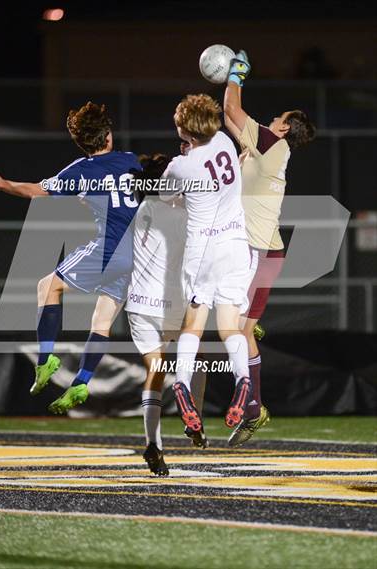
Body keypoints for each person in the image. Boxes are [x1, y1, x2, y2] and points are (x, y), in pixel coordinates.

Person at [0, 101, 141, 414]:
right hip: (138, 254)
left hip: (109, 248)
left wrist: (3, 184)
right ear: (108, 135)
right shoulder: (132, 160)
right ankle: (80, 382)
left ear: (81, 142)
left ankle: (45, 359)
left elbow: (37, 191)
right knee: (102, 320)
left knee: (46, 287)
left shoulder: (80, 170)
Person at [223, 50, 316, 445]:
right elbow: (229, 118)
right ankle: (254, 407)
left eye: (277, 119)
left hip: (258, 254)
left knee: (238, 333)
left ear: (282, 129)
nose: (271, 119)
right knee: (238, 331)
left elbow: (230, 104)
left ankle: (254, 408)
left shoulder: (272, 146)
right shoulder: (267, 149)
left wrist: (236, 75)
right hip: (256, 252)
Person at [162, 94, 253, 437]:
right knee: (231, 327)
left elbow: (168, 199)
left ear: (186, 131)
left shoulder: (180, 165)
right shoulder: (226, 143)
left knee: (194, 325)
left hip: (202, 249)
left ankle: (182, 384)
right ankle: (243, 379)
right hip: (235, 245)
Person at [125, 154, 208, 476]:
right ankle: (194, 418)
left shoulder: (142, 208)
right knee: (197, 359)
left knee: (155, 372)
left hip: (139, 305)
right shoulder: (183, 212)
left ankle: (152, 444)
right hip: (173, 303)